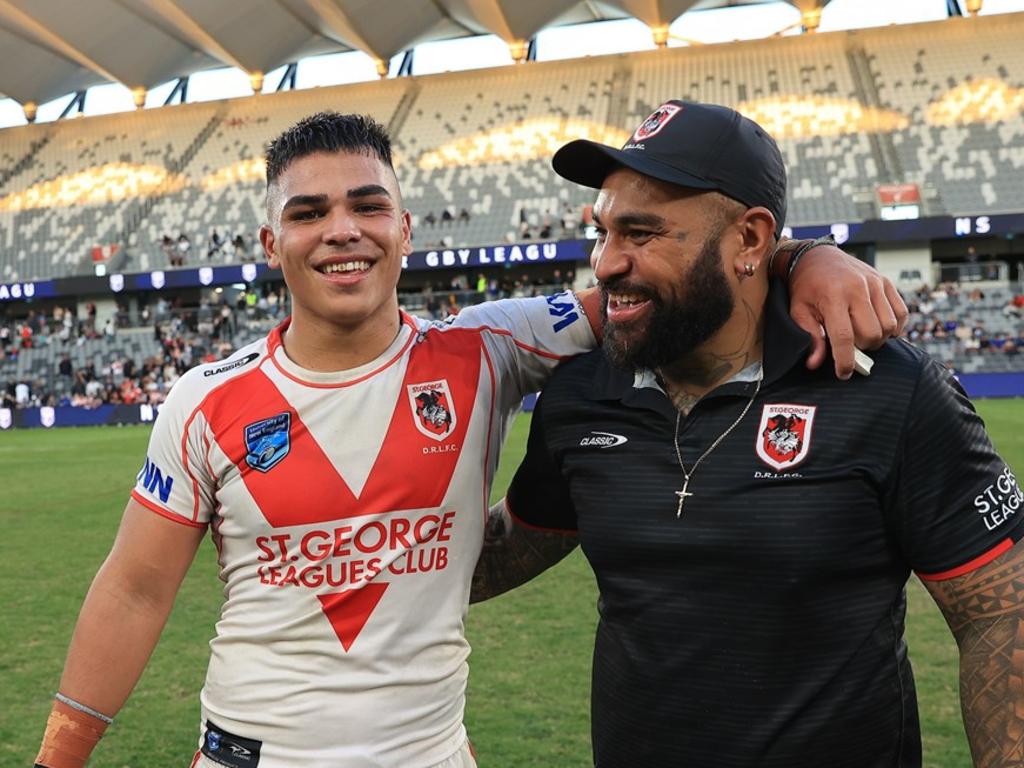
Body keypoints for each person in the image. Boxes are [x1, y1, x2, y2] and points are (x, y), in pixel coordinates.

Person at [34, 110, 903, 768]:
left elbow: (678, 281)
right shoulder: (205, 399)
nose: (343, 228)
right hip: (255, 751)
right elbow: (137, 590)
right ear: (271, 243)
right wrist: (60, 757)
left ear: (404, 231)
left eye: (369, 205)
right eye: (309, 213)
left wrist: (802, 256)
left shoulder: (489, 348)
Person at [476, 100, 1024, 767]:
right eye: (605, 232)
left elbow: (999, 612)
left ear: (751, 241)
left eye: (641, 233)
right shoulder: (583, 391)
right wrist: (340, 548)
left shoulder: (886, 387)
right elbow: (507, 547)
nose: (608, 261)